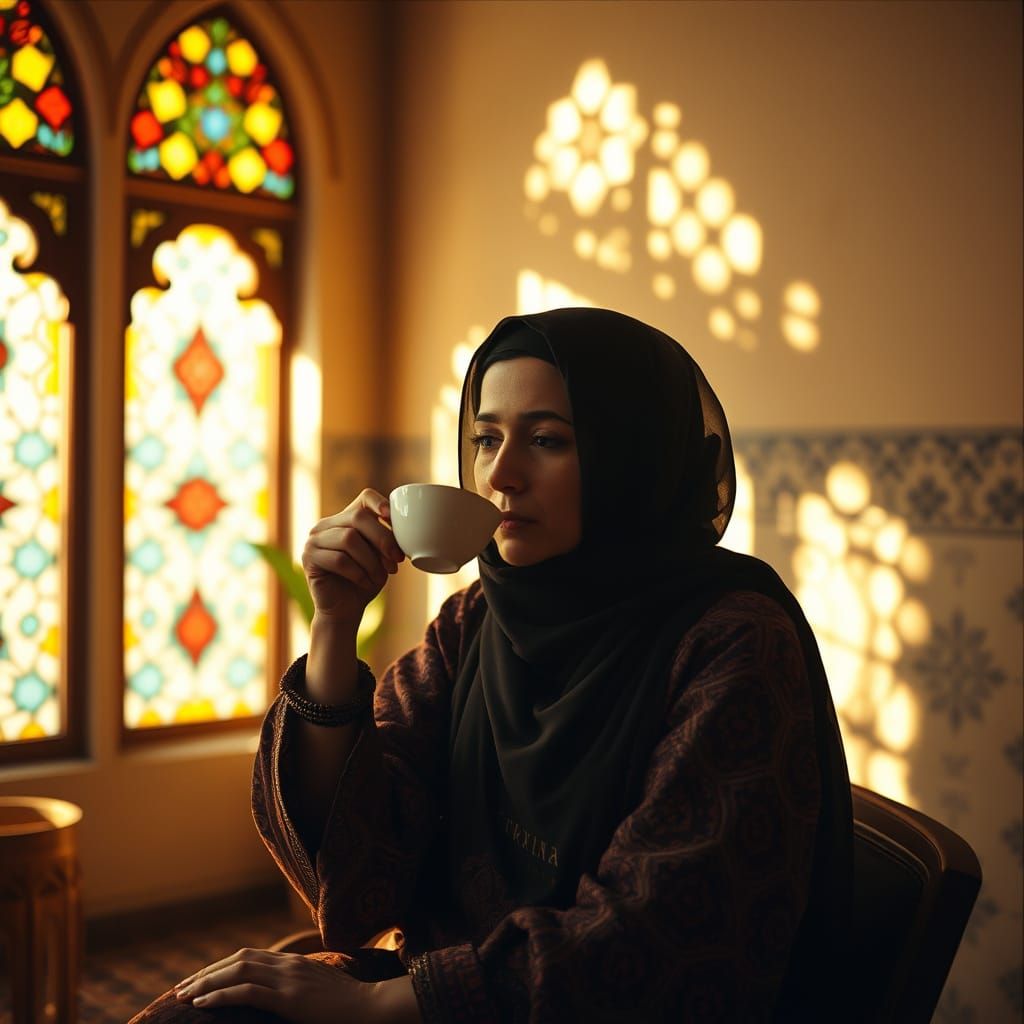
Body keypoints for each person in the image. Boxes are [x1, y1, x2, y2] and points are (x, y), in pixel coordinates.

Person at [138, 307, 852, 1023]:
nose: (501, 475)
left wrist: (378, 1006)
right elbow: (366, 848)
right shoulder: (479, 619)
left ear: (632, 456)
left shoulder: (731, 640)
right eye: (486, 438)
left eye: (547, 440)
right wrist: (333, 625)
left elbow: (658, 935)